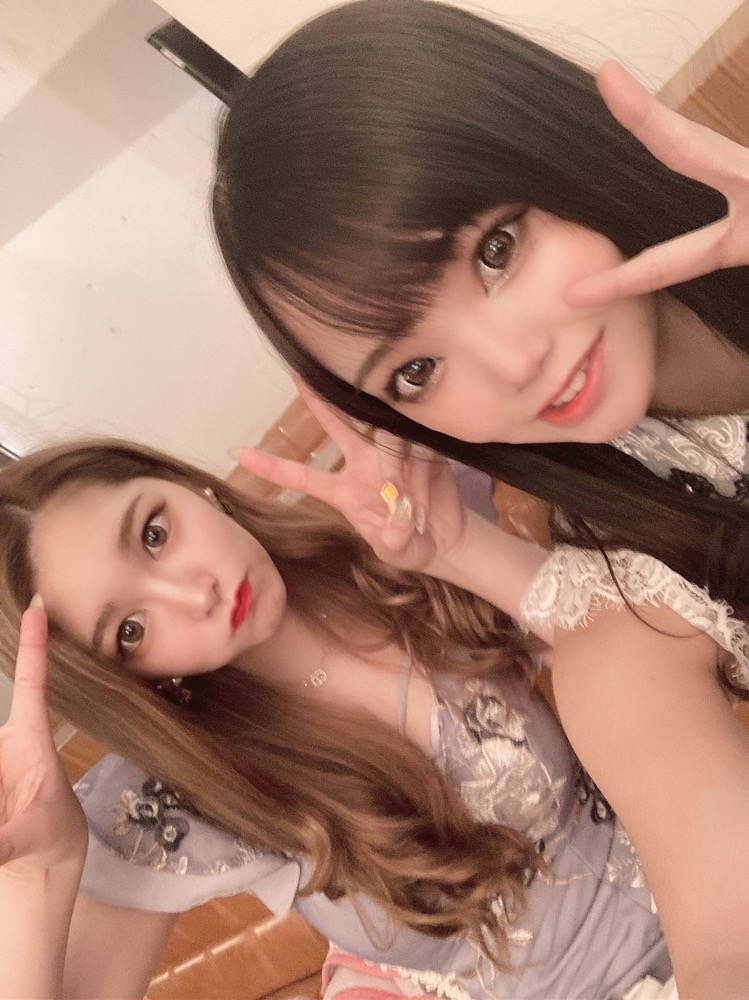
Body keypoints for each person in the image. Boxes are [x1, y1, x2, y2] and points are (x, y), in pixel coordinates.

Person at [2, 430, 749, 998]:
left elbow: (634, 638)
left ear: (186, 485)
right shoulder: (177, 798)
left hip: (709, 874)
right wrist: (40, 878)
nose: (193, 593)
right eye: (130, 630)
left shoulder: (383, 532)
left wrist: (456, 549)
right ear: (129, 680)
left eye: (154, 534)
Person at [211, 0, 749, 630]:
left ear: (548, 142)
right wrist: (457, 549)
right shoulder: (632, 540)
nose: (515, 365)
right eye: (416, 371)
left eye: (497, 251)